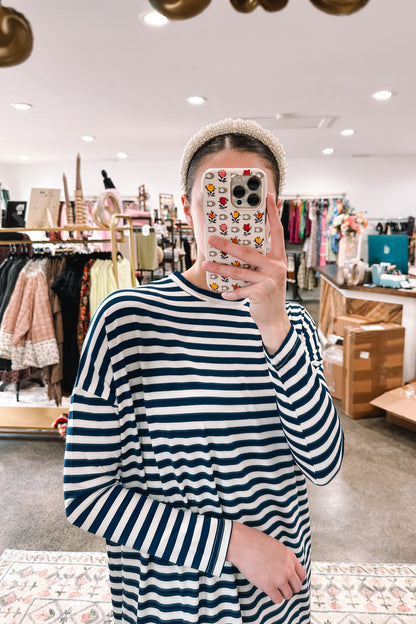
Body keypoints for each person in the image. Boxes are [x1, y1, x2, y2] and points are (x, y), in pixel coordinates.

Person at [64, 118, 344, 624]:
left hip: (275, 597)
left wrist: (275, 326)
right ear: (188, 206)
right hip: (170, 597)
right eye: (216, 195)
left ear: (274, 210)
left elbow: (324, 465)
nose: (230, 213)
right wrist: (233, 543)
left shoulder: (294, 323)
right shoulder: (128, 320)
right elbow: (87, 494)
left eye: (250, 196)